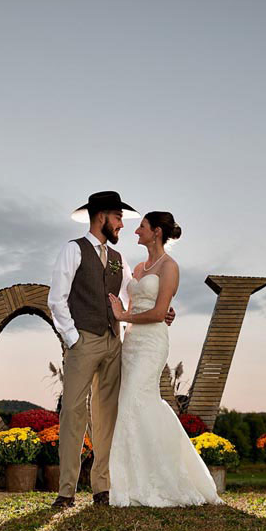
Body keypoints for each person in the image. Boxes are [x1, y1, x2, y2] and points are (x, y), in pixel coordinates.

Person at [46, 191, 174, 509]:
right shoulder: (72, 250)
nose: (121, 225)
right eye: (118, 217)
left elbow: (135, 290)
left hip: (114, 343)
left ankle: (101, 487)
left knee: (107, 416)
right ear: (101, 216)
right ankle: (66, 491)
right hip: (83, 341)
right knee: (74, 413)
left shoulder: (119, 260)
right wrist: (73, 338)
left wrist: (163, 310)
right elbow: (56, 299)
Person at [106, 211, 222, 507]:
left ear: (156, 231)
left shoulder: (170, 267)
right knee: (135, 405)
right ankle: (134, 480)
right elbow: (135, 305)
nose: (136, 232)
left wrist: (123, 315)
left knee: (134, 400)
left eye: (141, 227)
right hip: (131, 343)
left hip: (152, 344)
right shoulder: (140, 266)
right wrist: (123, 318)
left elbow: (159, 313)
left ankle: (158, 481)